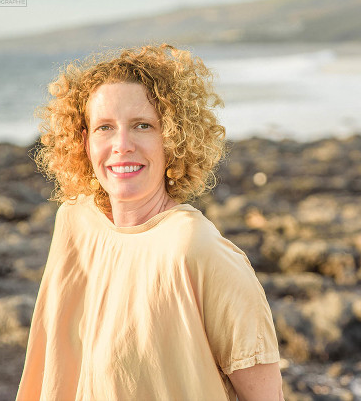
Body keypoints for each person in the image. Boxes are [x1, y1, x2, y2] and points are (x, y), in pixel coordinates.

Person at [16, 44, 283, 400]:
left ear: (172, 138)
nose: (121, 145)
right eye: (104, 127)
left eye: (143, 125)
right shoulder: (75, 224)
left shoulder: (198, 249)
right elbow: (53, 368)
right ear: (84, 140)